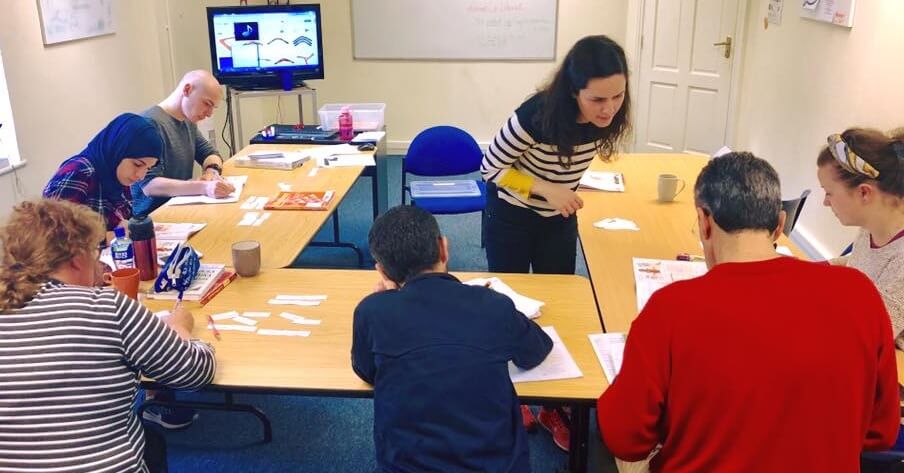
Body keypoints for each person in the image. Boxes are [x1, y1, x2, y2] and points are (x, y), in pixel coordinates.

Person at [597, 152, 899, 472]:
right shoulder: (860, 293)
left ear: (704, 222)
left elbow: (626, 441)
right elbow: (881, 432)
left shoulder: (669, 308)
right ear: (780, 224)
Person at [480, 34, 632, 448]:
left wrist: (559, 193)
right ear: (572, 91)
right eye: (597, 99)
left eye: (617, 96)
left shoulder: (611, 114)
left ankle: (553, 405)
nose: (610, 108)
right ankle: (516, 397)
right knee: (510, 305)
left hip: (557, 218)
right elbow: (490, 168)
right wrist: (548, 189)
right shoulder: (535, 116)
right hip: (510, 213)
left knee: (560, 305)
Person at [0, 199, 216, 473]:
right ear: (77, 257)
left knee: (152, 441)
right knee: (150, 441)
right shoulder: (105, 305)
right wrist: (180, 328)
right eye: (96, 251)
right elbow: (195, 372)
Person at [351, 205, 553, 473]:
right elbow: (535, 351)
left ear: (383, 272)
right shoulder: (492, 305)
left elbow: (366, 371)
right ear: (444, 249)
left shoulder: (372, 311)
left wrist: (386, 301)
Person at [817, 128, 904, 348]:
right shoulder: (873, 226)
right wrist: (811, 270)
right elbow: (859, 265)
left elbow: (869, 334)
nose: (825, 202)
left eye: (829, 192)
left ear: (864, 193)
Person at [131, 70, 235, 216]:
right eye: (207, 104)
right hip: (153, 216)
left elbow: (210, 154)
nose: (209, 113)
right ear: (187, 90)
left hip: (180, 208)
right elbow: (150, 186)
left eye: (213, 107)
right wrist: (204, 187)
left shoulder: (187, 120)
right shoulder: (150, 124)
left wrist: (211, 171)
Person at [43, 113, 162, 230]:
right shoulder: (78, 173)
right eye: (137, 164)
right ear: (117, 150)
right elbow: (55, 238)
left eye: (147, 168)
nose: (141, 176)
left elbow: (123, 223)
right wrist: (115, 236)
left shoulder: (118, 177)